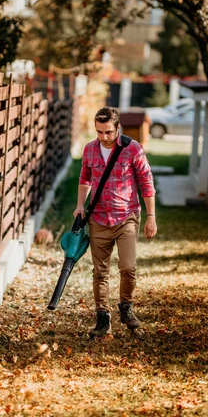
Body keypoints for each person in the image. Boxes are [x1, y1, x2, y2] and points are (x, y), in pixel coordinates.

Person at [73, 107, 157, 338]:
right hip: (98, 218)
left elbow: (146, 183)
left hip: (126, 217)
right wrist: (81, 205)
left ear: (117, 128)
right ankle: (103, 319)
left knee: (128, 267)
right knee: (100, 272)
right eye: (99, 132)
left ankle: (126, 308)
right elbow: (85, 178)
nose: (104, 137)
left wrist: (151, 217)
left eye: (108, 132)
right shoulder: (90, 149)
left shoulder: (132, 149)